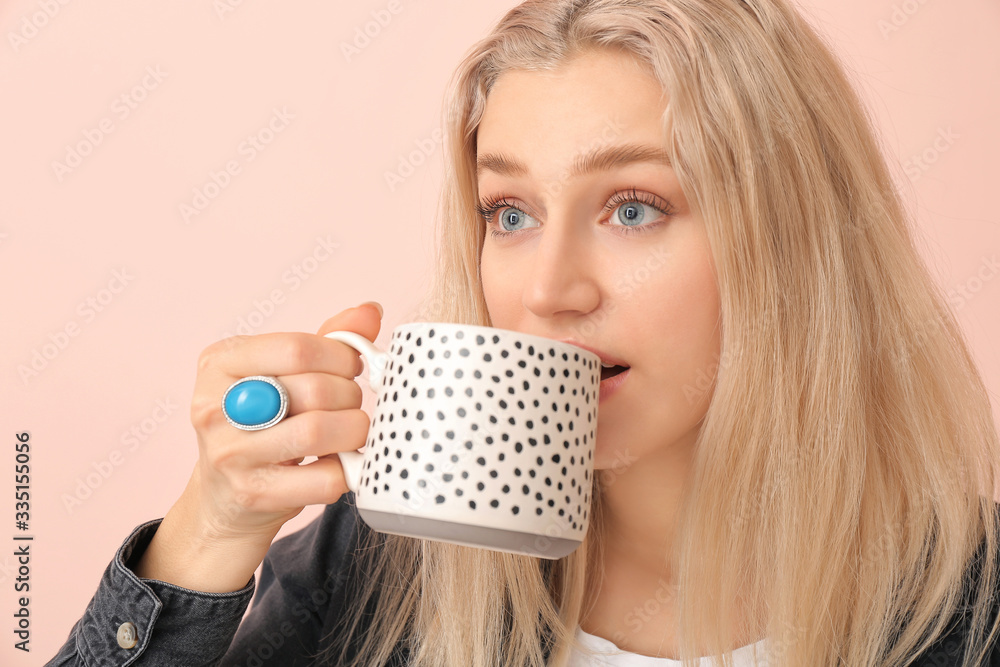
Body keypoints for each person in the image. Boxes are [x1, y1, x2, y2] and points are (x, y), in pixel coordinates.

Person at [48, 0, 1000, 665]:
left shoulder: (974, 609)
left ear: (794, 237)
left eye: (633, 208)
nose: (547, 290)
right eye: (509, 212)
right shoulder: (382, 568)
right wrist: (205, 540)